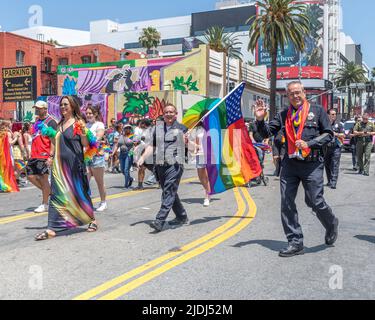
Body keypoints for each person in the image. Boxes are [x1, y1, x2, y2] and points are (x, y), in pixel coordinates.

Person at [254, 81, 339, 258]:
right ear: (287, 96)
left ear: (304, 93)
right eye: (291, 93)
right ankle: (295, 242)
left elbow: (329, 134)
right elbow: (265, 134)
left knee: (314, 201)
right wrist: (260, 119)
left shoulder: (317, 111)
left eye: (298, 92)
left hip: (312, 164)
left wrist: (310, 143)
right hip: (290, 165)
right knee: (286, 202)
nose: (295, 96)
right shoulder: (283, 114)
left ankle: (331, 223)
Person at [35, 96, 98, 241]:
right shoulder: (59, 123)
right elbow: (56, 142)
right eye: (61, 105)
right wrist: (48, 137)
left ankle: (92, 220)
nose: (62, 107)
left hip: (75, 163)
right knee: (56, 194)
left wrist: (83, 133)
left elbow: (85, 143)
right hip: (59, 164)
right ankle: (51, 228)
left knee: (80, 193)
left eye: (65, 105)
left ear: (72, 106)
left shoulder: (78, 122)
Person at [138, 104, 188, 233]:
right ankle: (182, 216)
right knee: (170, 191)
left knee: (168, 191)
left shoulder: (182, 128)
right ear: (163, 114)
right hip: (160, 165)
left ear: (176, 114)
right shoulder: (159, 129)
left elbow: (190, 147)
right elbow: (151, 146)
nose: (169, 114)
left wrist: (186, 142)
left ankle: (160, 220)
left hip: (175, 164)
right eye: (166, 112)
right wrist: (142, 158)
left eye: (171, 112)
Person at [26, 101, 58, 212]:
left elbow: (53, 140)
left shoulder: (51, 121)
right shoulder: (36, 121)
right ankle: (48, 192)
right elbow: (34, 137)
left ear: (45, 109)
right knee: (30, 176)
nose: (37, 110)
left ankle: (44, 204)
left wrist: (51, 156)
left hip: (44, 154)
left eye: (39, 108)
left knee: (44, 179)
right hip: (34, 154)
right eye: (36, 108)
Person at [86, 105, 108, 212]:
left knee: (99, 182)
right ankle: (85, 203)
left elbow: (98, 136)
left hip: (97, 156)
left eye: (90, 113)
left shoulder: (99, 124)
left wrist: (91, 140)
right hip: (86, 157)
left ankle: (103, 202)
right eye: (87, 113)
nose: (88, 115)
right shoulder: (85, 125)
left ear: (95, 114)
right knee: (84, 181)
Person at [188, 122, 211, 207]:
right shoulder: (198, 129)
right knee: (200, 176)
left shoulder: (212, 127)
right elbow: (196, 143)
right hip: (200, 154)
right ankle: (208, 190)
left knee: (206, 176)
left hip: (209, 154)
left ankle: (207, 196)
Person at [323, 109, 344, 189]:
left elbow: (343, 135)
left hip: (336, 147)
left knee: (334, 165)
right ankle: (329, 181)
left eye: (335, 114)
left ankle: (333, 182)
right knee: (327, 165)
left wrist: (335, 134)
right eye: (332, 114)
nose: (334, 116)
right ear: (328, 115)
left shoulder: (339, 125)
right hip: (326, 147)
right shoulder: (324, 124)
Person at [0, 120, 19, 193]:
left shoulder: (1, 133)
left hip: (2, 154)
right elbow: (10, 143)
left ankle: (3, 184)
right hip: (7, 153)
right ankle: (8, 184)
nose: (12, 124)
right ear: (7, 125)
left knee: (2, 169)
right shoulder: (7, 133)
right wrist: (16, 138)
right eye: (11, 123)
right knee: (9, 167)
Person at [113, 125, 135, 189]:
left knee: (126, 170)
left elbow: (135, 146)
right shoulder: (120, 136)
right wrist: (113, 153)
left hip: (129, 154)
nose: (127, 129)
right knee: (122, 170)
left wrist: (131, 154)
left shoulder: (132, 136)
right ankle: (130, 179)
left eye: (129, 128)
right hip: (121, 154)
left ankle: (126, 185)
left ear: (130, 129)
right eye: (126, 128)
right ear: (124, 129)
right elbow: (117, 145)